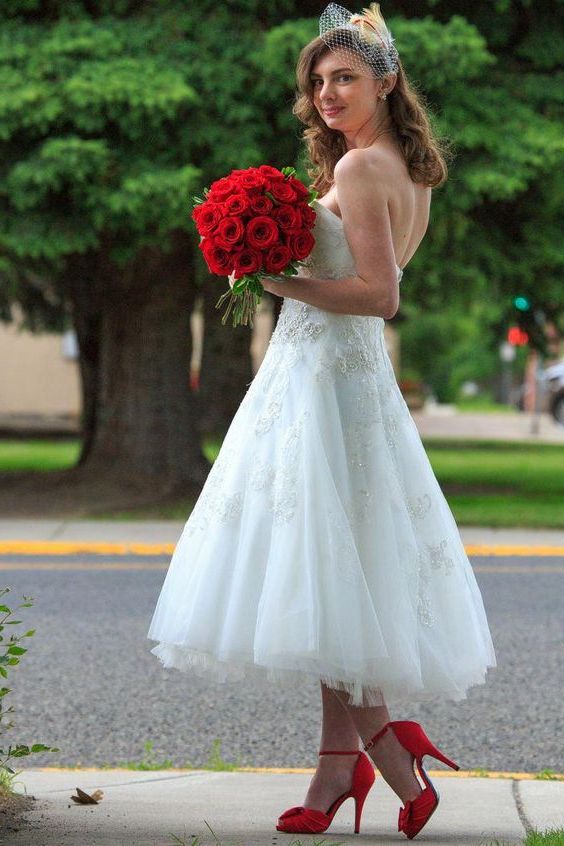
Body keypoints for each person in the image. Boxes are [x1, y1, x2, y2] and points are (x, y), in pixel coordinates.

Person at [147, 2, 497, 839]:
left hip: (326, 385)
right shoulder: (400, 169)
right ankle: (336, 767)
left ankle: (388, 746)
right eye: (318, 80)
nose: (327, 91)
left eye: (345, 77)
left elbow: (380, 296)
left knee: (321, 567)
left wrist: (276, 281)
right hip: (340, 388)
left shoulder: (365, 171)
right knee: (327, 576)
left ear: (386, 81)